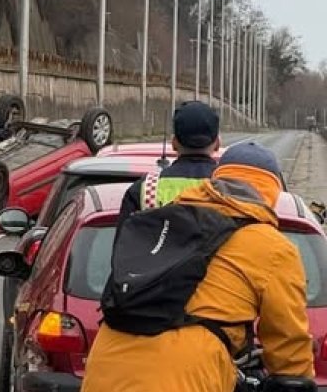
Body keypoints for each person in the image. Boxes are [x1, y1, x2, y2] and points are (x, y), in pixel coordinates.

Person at [82, 142, 315, 392]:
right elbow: (288, 344)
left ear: (215, 181)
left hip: (104, 367)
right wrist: (295, 381)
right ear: (271, 194)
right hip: (185, 376)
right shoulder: (273, 248)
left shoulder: (167, 219)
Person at [118, 100, 220, 225]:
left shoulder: (144, 190)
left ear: (174, 143)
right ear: (217, 144)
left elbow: (124, 242)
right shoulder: (233, 189)